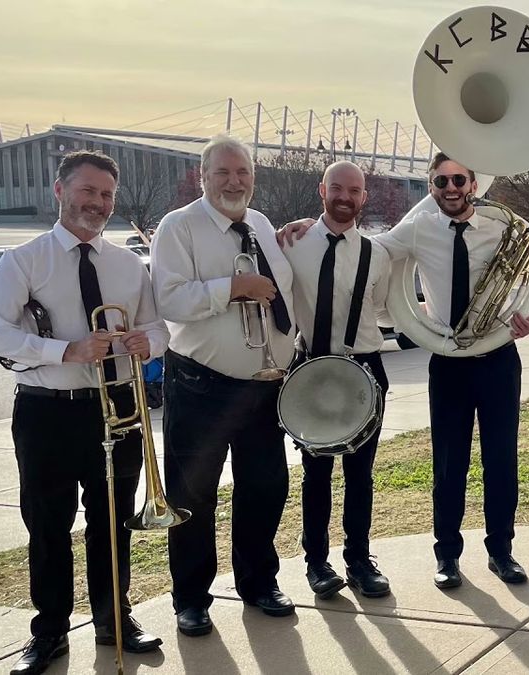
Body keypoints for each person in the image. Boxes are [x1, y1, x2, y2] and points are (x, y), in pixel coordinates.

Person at [279, 152, 529, 590]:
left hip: (498, 359)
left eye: (459, 178)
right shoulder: (417, 229)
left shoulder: (504, 228)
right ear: (431, 188)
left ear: (474, 183)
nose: (451, 187)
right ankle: (447, 556)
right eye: (441, 182)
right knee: (447, 464)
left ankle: (501, 552)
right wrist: (308, 225)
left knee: (501, 460)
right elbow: (359, 246)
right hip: (446, 363)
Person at [0, 151, 169, 674]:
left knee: (112, 521)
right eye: (88, 191)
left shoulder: (127, 262)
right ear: (60, 191)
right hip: (48, 411)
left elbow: (158, 328)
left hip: (115, 406)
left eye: (106, 195)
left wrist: (143, 343)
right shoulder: (25, 260)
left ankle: (114, 618)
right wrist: (64, 351)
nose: (99, 204)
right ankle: (50, 632)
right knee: (47, 525)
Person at [151, 135, 297, 637]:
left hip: (264, 387)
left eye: (243, 173)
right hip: (202, 385)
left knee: (265, 487)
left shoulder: (259, 225)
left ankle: (258, 583)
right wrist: (233, 288)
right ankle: (191, 598)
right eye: (223, 173)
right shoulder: (179, 227)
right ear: (202, 176)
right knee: (193, 495)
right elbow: (168, 299)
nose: (235, 181)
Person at [280, 161, 392, 599]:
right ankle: (317, 563)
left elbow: (380, 308)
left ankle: (360, 560)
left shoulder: (377, 253)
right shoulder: (291, 243)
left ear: (364, 197)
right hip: (312, 367)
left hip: (364, 367)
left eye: (355, 190)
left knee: (360, 474)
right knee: (315, 475)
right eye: (337, 188)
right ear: (322, 190)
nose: (346, 197)